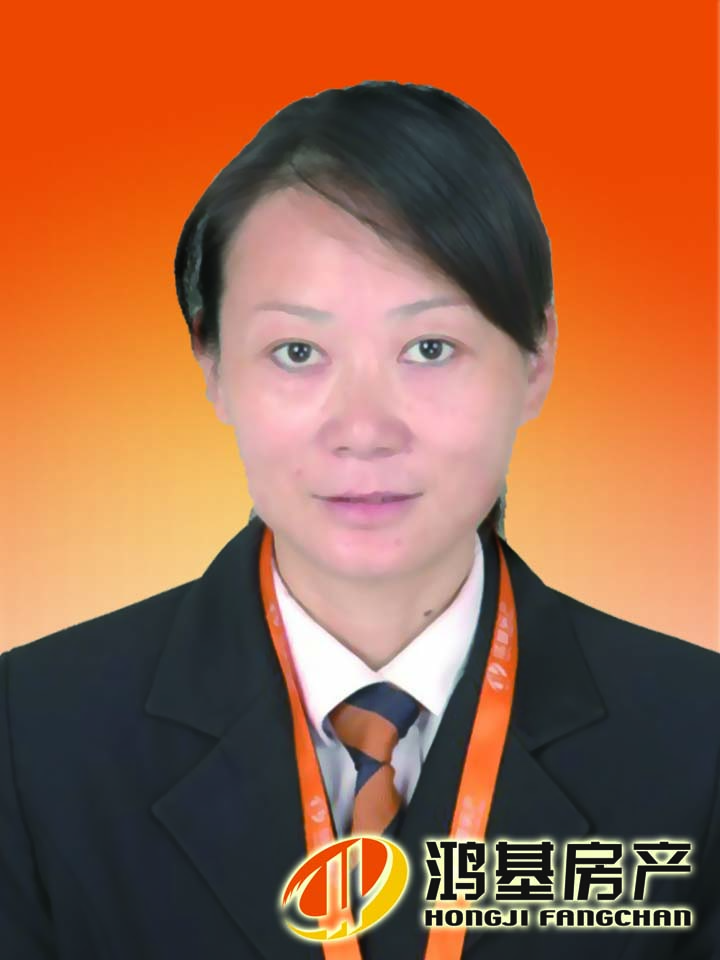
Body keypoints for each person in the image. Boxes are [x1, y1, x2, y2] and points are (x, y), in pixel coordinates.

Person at [1, 80, 718, 960]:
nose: (365, 430)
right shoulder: (31, 737)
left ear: (537, 359)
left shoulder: (699, 742)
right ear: (213, 365)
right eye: (298, 351)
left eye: (430, 348)